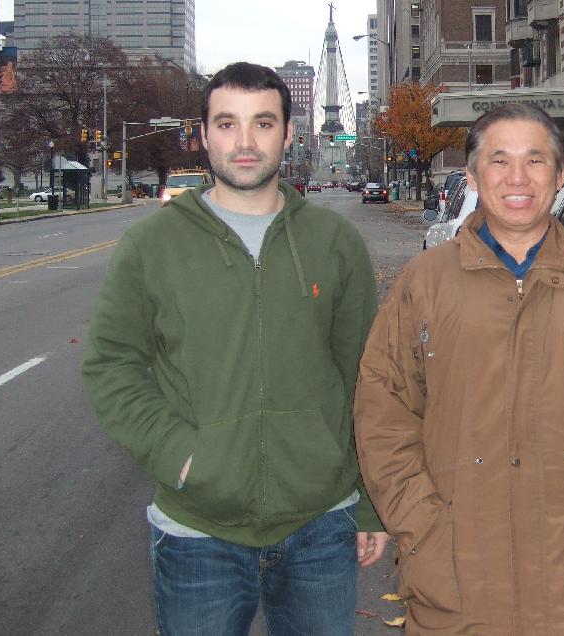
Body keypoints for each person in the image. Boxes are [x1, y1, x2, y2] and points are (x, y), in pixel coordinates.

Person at [82, 62, 387, 635]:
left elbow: (365, 379)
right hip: (198, 536)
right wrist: (180, 454)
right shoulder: (152, 244)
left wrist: (370, 501)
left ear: (290, 134)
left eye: (263, 123)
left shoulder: (334, 242)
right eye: (226, 124)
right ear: (202, 134)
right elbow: (111, 365)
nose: (244, 142)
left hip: (321, 525)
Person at [354, 103, 564, 634]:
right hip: (453, 596)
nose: (517, 178)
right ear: (475, 175)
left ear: (561, 173)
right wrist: (423, 527)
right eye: (499, 161)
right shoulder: (424, 283)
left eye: (536, 160)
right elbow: (383, 414)